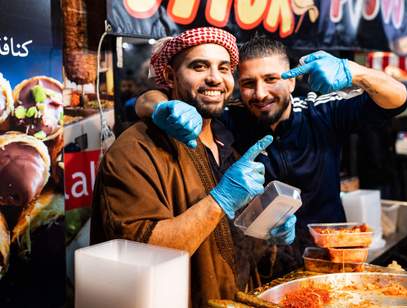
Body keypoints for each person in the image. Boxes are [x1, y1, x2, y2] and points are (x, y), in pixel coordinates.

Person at [136, 37, 407, 275]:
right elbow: (143, 101)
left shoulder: (321, 111)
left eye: (271, 79)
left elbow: (399, 99)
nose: (260, 93)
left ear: (292, 81)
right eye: (248, 83)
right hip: (260, 262)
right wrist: (163, 108)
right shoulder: (229, 119)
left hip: (329, 258)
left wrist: (354, 72)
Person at [90, 27, 296, 306]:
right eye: (199, 66)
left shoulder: (228, 142)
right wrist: (218, 202)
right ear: (170, 76)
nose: (214, 78)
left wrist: (267, 232)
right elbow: (138, 258)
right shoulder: (135, 150)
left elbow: (230, 242)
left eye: (223, 68)